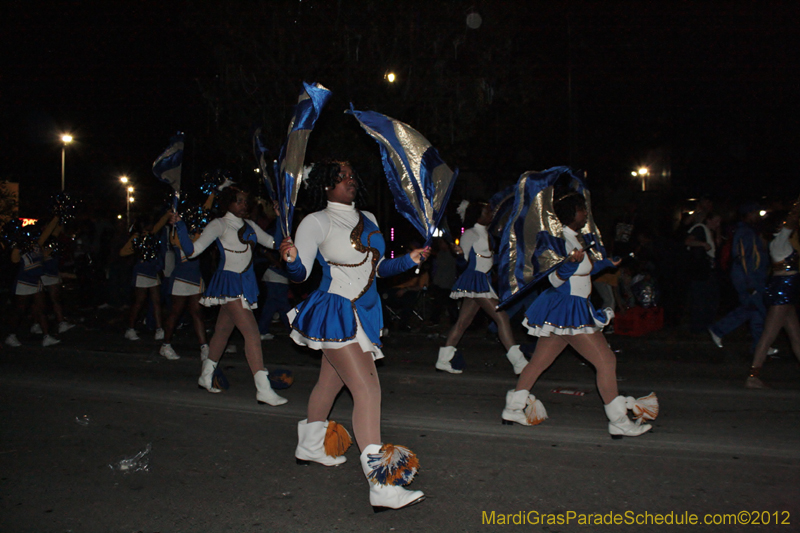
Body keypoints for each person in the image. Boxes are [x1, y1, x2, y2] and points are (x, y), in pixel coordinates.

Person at [280, 160, 427, 511]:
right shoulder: (316, 221)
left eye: (351, 176)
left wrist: (409, 259)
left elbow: (378, 269)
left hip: (363, 314)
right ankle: (382, 486)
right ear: (325, 185)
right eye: (340, 177)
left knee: (330, 384)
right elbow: (301, 275)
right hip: (335, 312)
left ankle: (311, 446)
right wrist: (290, 259)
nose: (349, 181)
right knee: (368, 390)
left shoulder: (371, 219)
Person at [500, 190, 657, 438]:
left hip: (570, 309)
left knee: (539, 362)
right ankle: (618, 421)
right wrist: (570, 264)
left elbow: (584, 269)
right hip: (566, 308)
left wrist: (606, 264)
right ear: (573, 213)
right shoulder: (557, 240)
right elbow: (553, 278)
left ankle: (513, 408)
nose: (586, 214)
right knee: (606, 360)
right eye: (583, 209)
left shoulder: (576, 238)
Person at [172, 184, 287, 406]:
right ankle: (263, 389)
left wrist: (281, 220)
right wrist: (180, 227)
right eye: (239, 200)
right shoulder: (219, 224)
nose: (244, 205)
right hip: (230, 283)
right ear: (228, 203)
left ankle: (205, 376)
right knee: (252, 333)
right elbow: (192, 251)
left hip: (245, 282)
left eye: (246, 201)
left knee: (222, 332)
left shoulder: (251, 225)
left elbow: (274, 243)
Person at [435, 200, 527, 375]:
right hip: (475, 280)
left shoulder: (488, 234)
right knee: (502, 317)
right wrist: (459, 255)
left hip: (483, 280)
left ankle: (443, 359)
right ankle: (519, 361)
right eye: (487, 212)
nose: (491, 215)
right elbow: (463, 264)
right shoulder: (470, 234)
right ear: (477, 215)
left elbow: (491, 259)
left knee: (463, 322)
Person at [745, 205, 800, 388]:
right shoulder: (780, 241)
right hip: (782, 292)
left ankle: (754, 375)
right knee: (769, 335)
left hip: (785, 292)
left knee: (796, 336)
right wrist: (795, 209)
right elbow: (791, 221)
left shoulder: (779, 242)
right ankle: (753, 375)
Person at [708, 204, 769, 352]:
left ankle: (760, 345)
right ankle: (719, 329)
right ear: (748, 214)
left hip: (751, 277)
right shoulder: (745, 232)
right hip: (749, 278)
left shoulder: (749, 231)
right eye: (755, 213)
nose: (757, 216)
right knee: (752, 307)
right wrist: (750, 282)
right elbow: (745, 259)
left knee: (756, 310)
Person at [158, 210, 210, 362]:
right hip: (181, 278)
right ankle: (165, 345)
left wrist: (215, 192)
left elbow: (204, 211)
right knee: (175, 313)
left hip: (196, 278)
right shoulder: (175, 233)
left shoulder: (197, 234)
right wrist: (173, 220)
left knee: (197, 313)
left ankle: (204, 348)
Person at [4, 226, 61, 348]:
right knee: (19, 310)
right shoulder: (21, 249)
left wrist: (57, 218)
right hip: (24, 283)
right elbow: (14, 260)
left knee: (41, 309)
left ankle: (46, 336)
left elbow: (49, 234)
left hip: (36, 281)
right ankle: (11, 335)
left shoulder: (37, 246)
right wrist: (18, 245)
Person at [120, 213, 170, 341]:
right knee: (139, 301)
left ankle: (159, 329)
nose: (151, 226)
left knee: (156, 301)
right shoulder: (137, 237)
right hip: (142, 272)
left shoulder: (152, 234)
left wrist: (168, 214)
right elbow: (123, 252)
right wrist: (137, 250)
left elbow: (160, 224)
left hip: (152, 271)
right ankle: (130, 328)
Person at [37, 215, 75, 335]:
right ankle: (37, 324)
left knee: (55, 299)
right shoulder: (40, 240)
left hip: (52, 273)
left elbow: (59, 230)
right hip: (42, 273)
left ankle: (60, 323)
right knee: (39, 302)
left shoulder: (52, 239)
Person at [684, 212, 721, 333]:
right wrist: (702, 244)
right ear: (708, 220)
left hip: (708, 270)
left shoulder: (711, 232)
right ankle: (698, 327)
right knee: (700, 299)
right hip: (700, 271)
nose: (718, 224)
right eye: (716, 221)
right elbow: (688, 241)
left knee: (709, 299)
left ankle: (706, 325)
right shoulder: (700, 229)